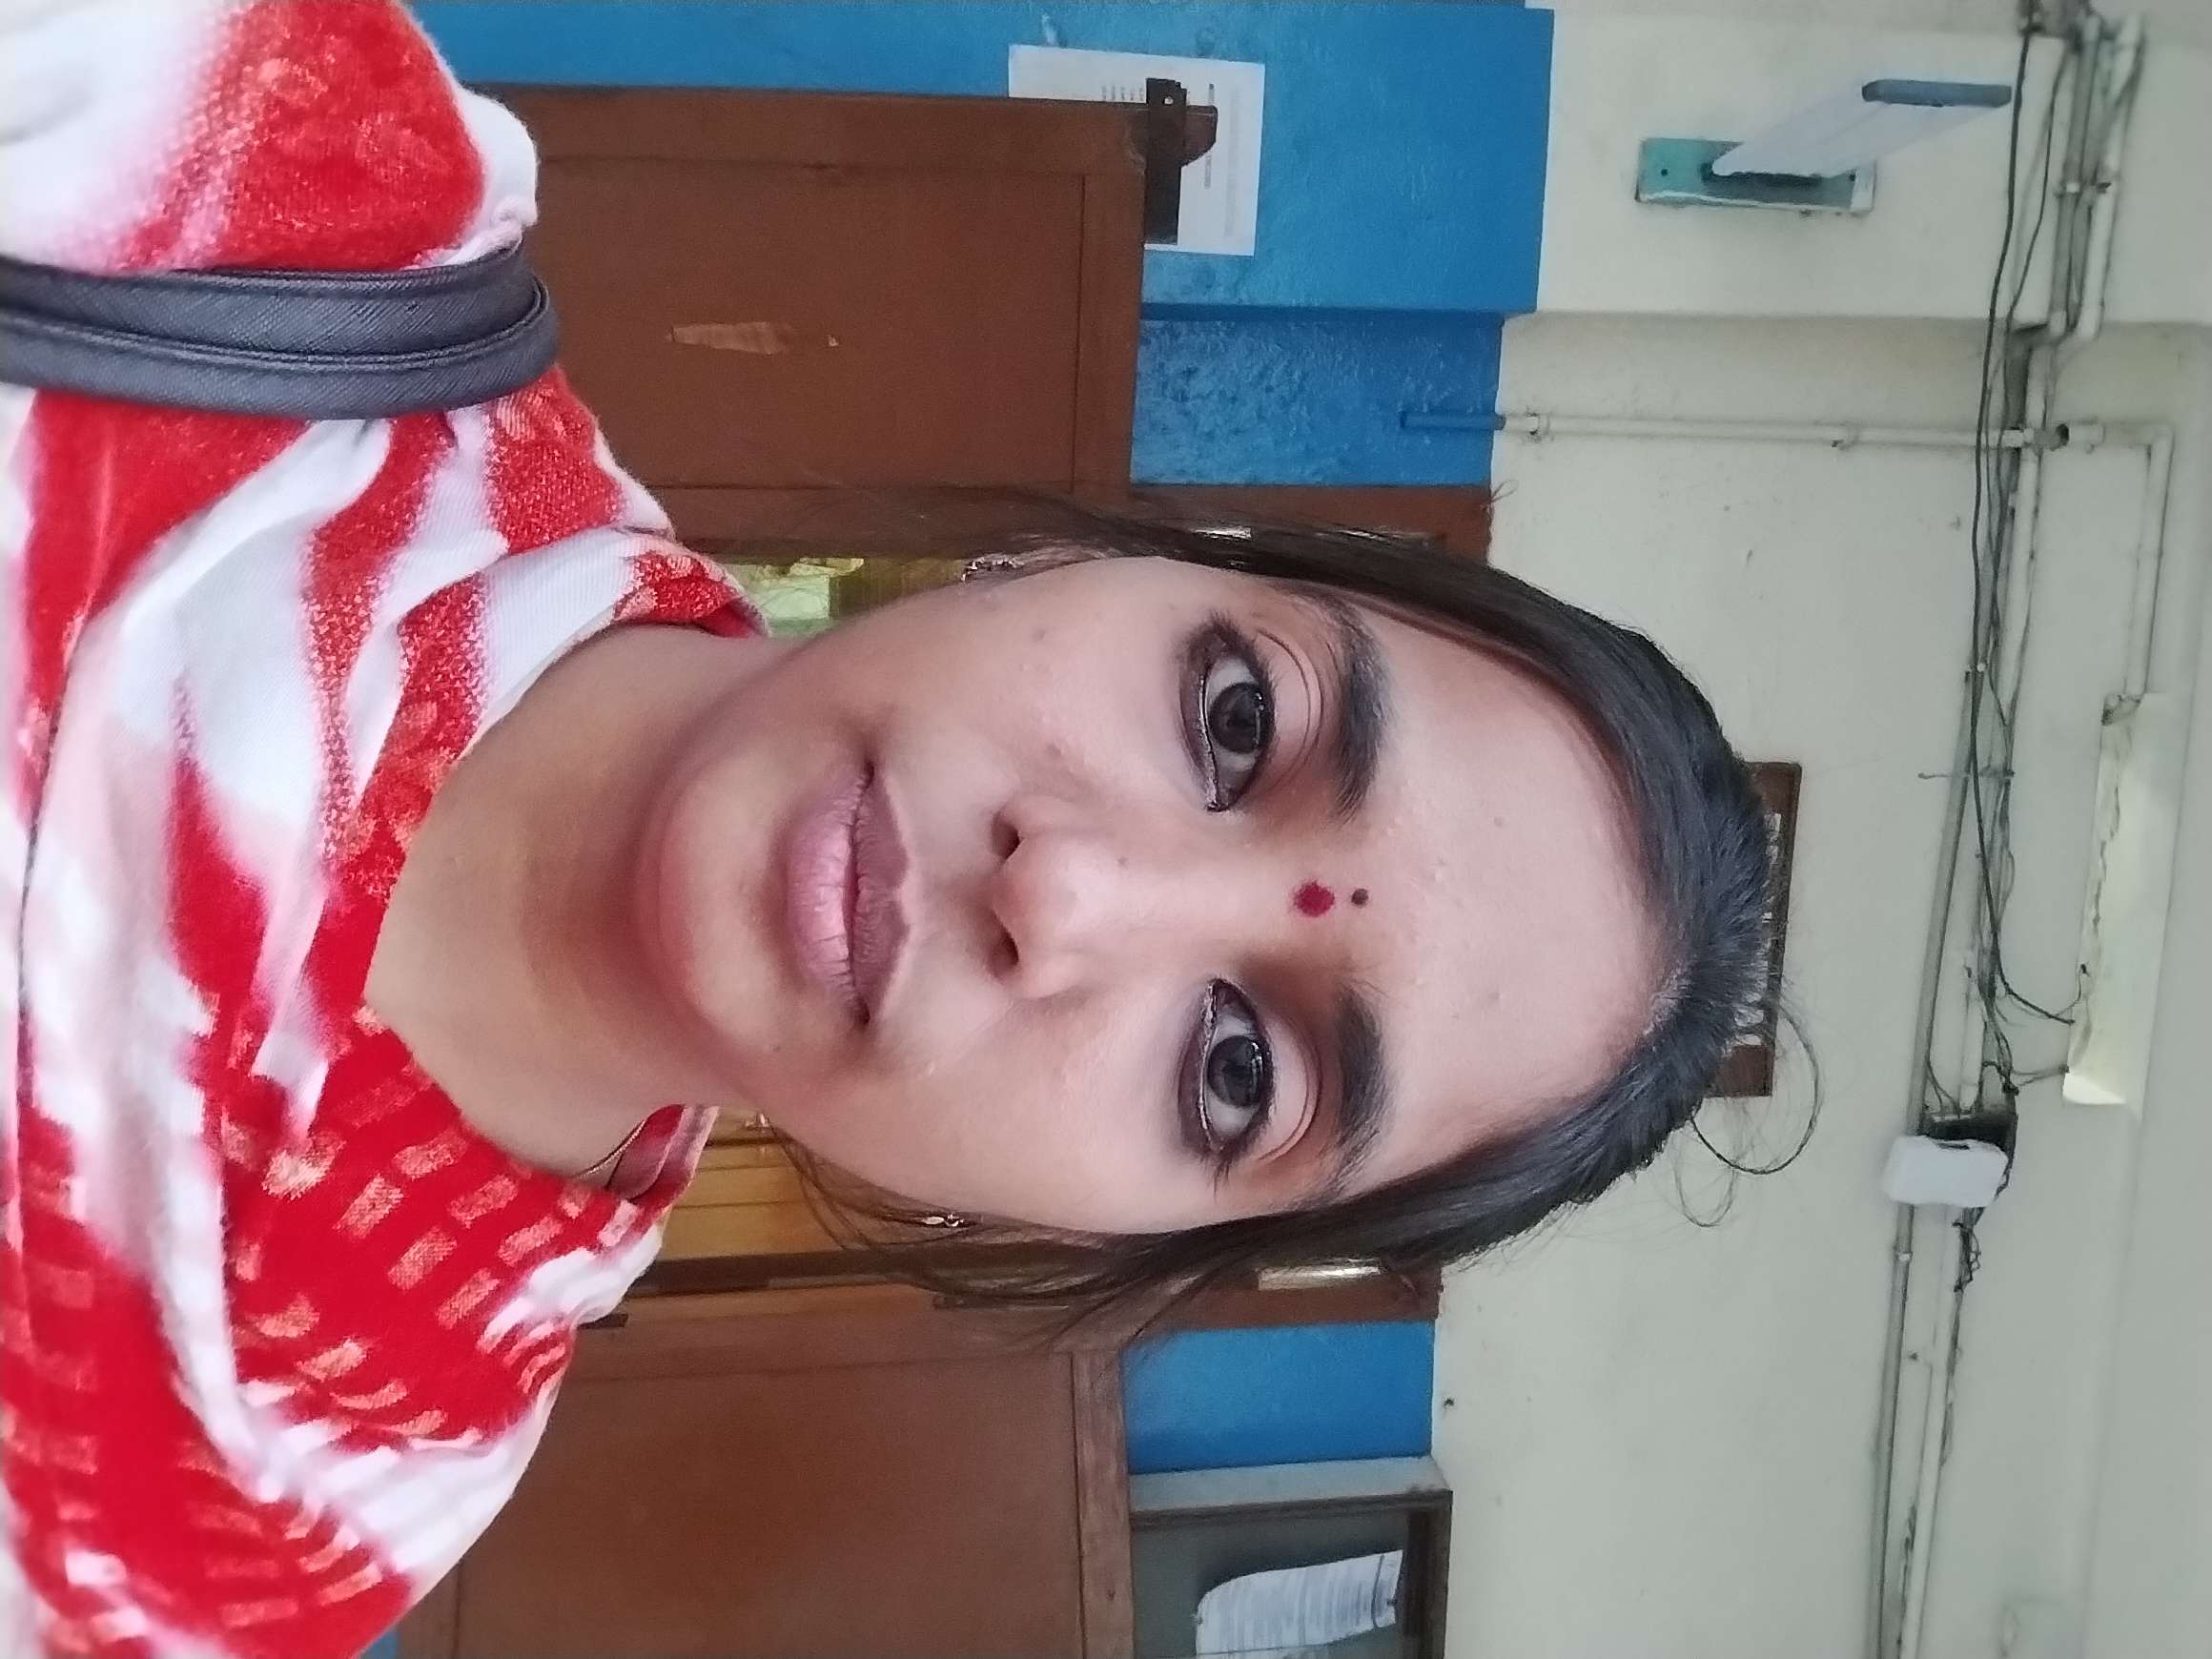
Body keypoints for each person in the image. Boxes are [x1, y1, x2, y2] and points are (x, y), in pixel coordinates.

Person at [0, 3, 1780, 1655]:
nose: (1065, 891)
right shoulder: (264, 165)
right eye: (1236, 721)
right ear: (1084, 562)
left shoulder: (284, 1507)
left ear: (1096, 1242)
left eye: (1237, 1070)